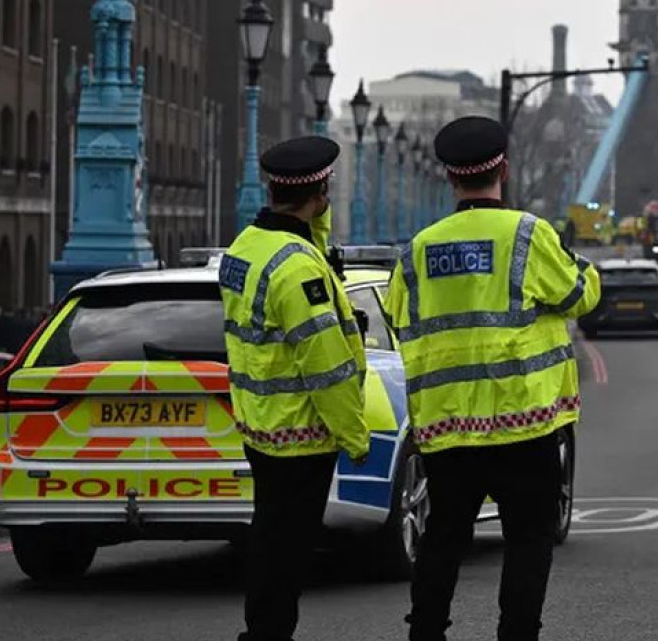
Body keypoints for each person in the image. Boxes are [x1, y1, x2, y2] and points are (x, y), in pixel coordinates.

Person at [386, 116, 601, 641]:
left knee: (442, 539)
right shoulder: (528, 234)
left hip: (449, 424)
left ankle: (427, 633)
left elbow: (396, 314)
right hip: (522, 423)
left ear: (448, 178)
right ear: (503, 168)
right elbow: (581, 295)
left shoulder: (418, 248)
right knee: (528, 541)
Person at [218, 135, 371, 641]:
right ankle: (268, 635)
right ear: (321, 191)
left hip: (260, 421)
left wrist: (314, 224)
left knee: (269, 535)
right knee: (287, 550)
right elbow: (325, 366)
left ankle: (262, 630)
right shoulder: (300, 269)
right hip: (300, 430)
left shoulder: (245, 247)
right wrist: (353, 435)